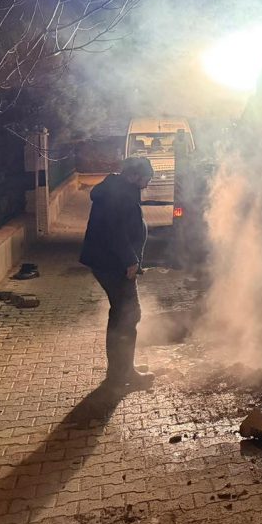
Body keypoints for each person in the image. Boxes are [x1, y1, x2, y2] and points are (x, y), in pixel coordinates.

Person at [79, 157, 155, 390]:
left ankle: (121, 370)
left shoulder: (120, 189)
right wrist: (130, 260)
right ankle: (122, 375)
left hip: (110, 262)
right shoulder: (118, 194)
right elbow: (115, 231)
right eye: (146, 179)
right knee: (127, 315)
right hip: (112, 264)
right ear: (133, 176)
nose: (147, 184)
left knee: (123, 315)